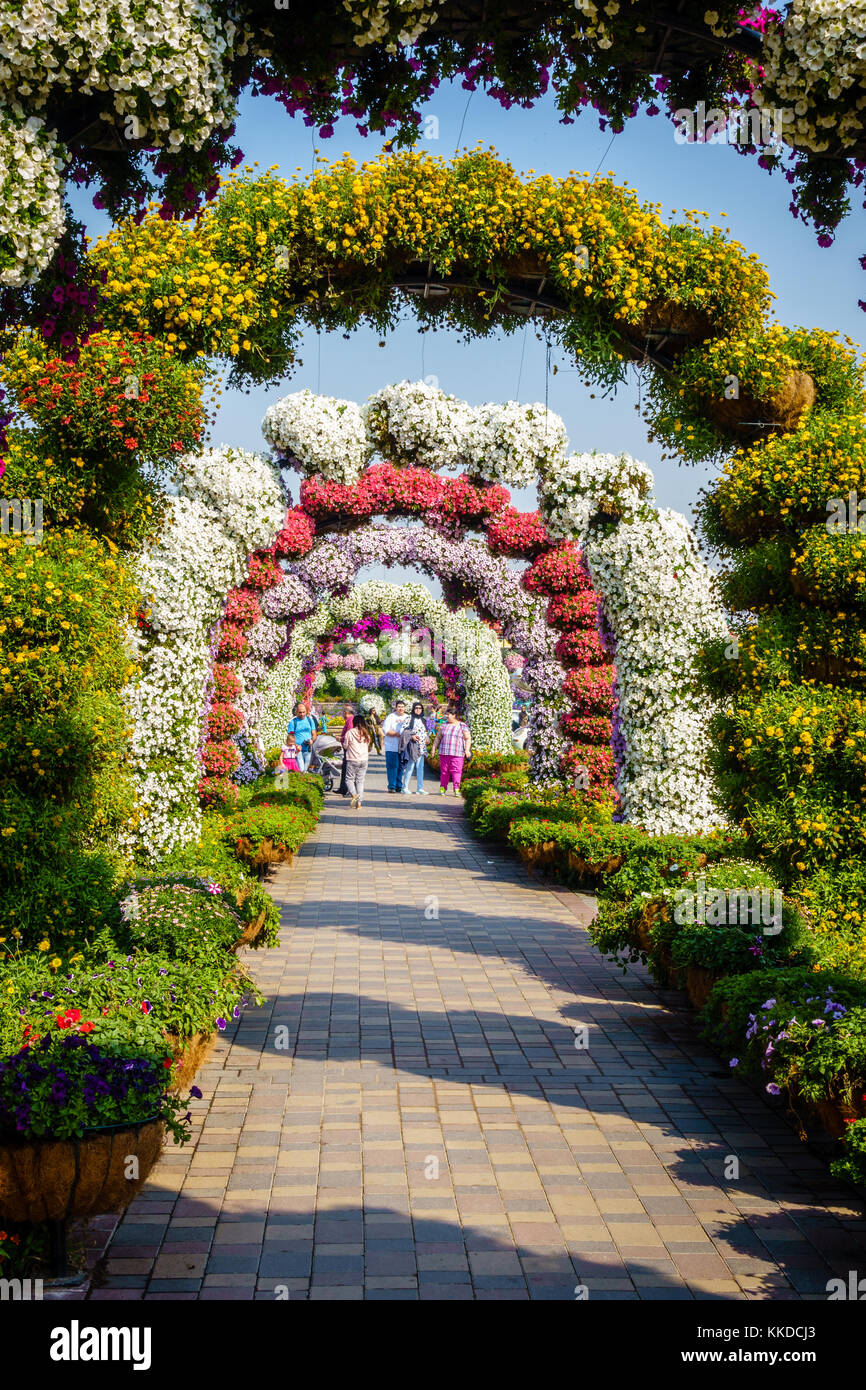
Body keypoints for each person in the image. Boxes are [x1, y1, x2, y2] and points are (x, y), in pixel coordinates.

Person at [433, 706, 471, 796]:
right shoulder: (444, 725)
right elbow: (438, 738)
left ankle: (456, 789)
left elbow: (468, 738)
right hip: (444, 753)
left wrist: (467, 750)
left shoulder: (462, 726)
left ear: (454, 715)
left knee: (456, 771)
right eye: (446, 714)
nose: (446, 716)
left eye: (448, 714)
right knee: (444, 771)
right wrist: (434, 748)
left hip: (457, 753)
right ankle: (443, 788)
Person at [342, 714, 371, 809]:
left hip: (352, 759)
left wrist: (340, 741)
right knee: (360, 781)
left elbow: (345, 746)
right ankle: (359, 803)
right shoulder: (366, 733)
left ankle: (354, 794)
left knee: (349, 779)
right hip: (364, 759)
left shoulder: (350, 732)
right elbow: (369, 745)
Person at [400, 701, 429, 794]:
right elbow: (403, 730)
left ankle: (419, 788)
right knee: (410, 766)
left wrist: (427, 738)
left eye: (420, 708)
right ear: (413, 709)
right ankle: (405, 787)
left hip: (422, 746)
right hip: (413, 746)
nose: (418, 710)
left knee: (420, 767)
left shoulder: (423, 720)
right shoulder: (409, 718)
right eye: (416, 708)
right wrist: (411, 736)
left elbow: (426, 732)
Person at [382, 699, 409, 792]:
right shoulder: (391, 717)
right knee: (392, 766)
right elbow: (385, 730)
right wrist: (396, 734)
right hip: (391, 746)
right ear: (396, 708)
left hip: (403, 747)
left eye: (402, 707)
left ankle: (399, 785)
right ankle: (392, 786)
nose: (401, 708)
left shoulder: (408, 717)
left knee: (401, 767)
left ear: (405, 708)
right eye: (399, 707)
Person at [287, 701, 317, 772]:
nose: (302, 714)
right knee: (301, 769)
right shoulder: (293, 722)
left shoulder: (310, 720)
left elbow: (314, 734)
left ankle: (303, 782)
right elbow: (289, 737)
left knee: (305, 770)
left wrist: (312, 741)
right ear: (296, 712)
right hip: (298, 750)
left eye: (303, 712)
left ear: (306, 712)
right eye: (300, 712)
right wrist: (296, 745)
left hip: (308, 749)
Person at [338, 704, 355, 796]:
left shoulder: (350, 720)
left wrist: (340, 738)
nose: (342, 714)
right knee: (345, 767)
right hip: (348, 746)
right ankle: (343, 788)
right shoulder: (349, 720)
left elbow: (349, 733)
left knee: (347, 768)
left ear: (346, 712)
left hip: (348, 747)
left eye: (343, 713)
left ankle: (346, 788)